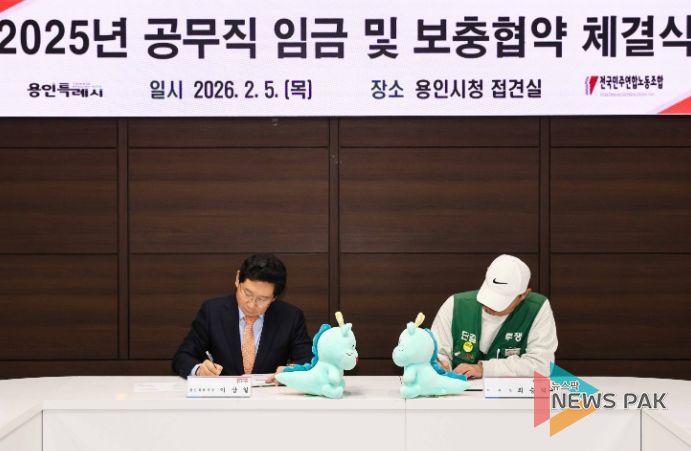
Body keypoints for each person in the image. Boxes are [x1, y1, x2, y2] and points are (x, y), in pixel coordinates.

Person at [172, 253, 313, 381]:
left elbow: (308, 360)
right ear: (237, 279)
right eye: (247, 293)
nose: (251, 305)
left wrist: (291, 372)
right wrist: (199, 370)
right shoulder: (212, 312)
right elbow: (183, 357)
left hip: (269, 396)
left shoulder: (291, 317)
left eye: (262, 299)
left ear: (274, 297)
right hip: (223, 396)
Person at [431, 254, 557, 379]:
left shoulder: (537, 308)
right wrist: (440, 366)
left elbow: (542, 365)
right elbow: (438, 355)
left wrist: (484, 369)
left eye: (500, 301)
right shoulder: (455, 305)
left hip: (511, 391)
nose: (489, 305)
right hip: (460, 390)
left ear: (523, 295)